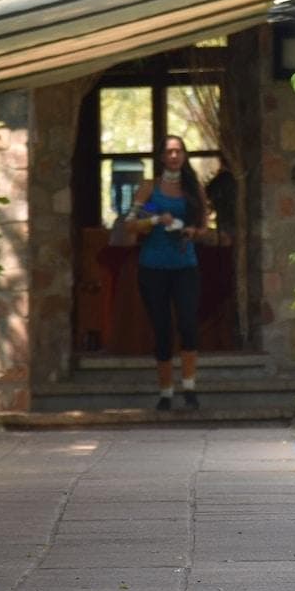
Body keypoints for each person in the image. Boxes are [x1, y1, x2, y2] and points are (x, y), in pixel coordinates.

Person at [125, 135, 204, 411]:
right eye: (169, 151)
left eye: (178, 150)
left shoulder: (193, 188)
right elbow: (130, 224)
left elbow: (204, 226)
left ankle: (190, 388)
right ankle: (166, 392)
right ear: (161, 156)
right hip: (153, 267)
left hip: (185, 266)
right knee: (162, 329)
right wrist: (156, 219)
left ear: (184, 155)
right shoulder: (150, 189)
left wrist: (194, 231)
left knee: (188, 324)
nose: (174, 156)